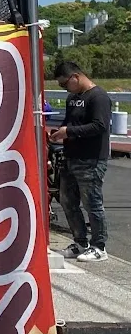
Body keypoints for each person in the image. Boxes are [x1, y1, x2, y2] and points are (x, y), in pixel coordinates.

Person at [51, 61, 112, 262]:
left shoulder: (98, 97)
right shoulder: (72, 98)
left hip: (91, 158)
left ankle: (99, 246)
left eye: (64, 83)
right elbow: (68, 123)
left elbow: (99, 126)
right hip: (71, 156)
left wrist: (69, 132)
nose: (64, 88)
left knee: (92, 203)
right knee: (68, 201)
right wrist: (58, 133)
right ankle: (80, 242)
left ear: (75, 77)